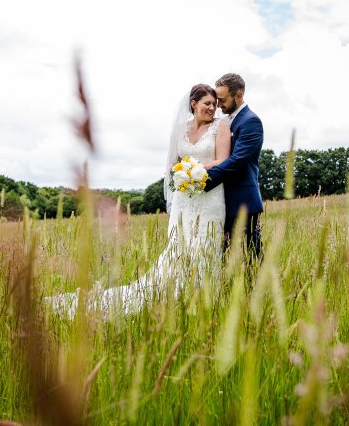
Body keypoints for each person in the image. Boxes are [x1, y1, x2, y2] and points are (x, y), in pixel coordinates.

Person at [46, 84, 231, 318]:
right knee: (179, 248)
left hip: (209, 198)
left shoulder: (220, 126)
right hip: (184, 198)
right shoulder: (181, 129)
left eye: (214, 104)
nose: (212, 108)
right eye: (207, 104)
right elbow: (173, 163)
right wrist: (182, 172)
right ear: (194, 104)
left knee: (204, 246)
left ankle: (202, 299)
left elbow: (223, 160)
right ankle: (171, 296)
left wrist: (195, 169)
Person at [205, 73, 264, 260]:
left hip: (242, 200)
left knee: (251, 257)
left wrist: (204, 176)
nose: (218, 105)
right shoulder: (226, 121)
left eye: (222, 100)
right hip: (222, 201)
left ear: (238, 95)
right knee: (224, 257)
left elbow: (238, 160)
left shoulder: (250, 121)